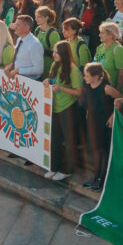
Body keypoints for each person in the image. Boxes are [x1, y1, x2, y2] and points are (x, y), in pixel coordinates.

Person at [46, 41, 82, 182]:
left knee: (68, 140)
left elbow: (79, 92)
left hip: (68, 108)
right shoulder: (55, 65)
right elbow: (52, 79)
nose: (53, 54)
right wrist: (47, 80)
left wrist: (61, 88)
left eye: (56, 52)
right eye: (54, 52)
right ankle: (53, 166)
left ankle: (67, 170)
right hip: (54, 107)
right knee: (54, 138)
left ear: (64, 53)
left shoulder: (73, 70)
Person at [79, 62, 112, 191]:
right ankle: (95, 175)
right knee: (95, 150)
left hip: (104, 121)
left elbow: (119, 99)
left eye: (87, 75)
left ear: (97, 76)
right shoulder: (87, 86)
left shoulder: (106, 88)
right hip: (92, 121)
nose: (85, 77)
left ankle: (101, 179)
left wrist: (113, 114)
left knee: (103, 150)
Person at [94, 22, 123, 93]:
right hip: (100, 91)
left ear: (111, 35)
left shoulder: (118, 49)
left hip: (112, 93)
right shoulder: (99, 47)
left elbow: (122, 74)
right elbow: (94, 65)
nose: (99, 35)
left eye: (102, 33)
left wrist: (116, 93)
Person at [6, 15, 44, 80]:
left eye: (18, 25)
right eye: (15, 24)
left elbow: (39, 69)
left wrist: (18, 70)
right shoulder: (19, 39)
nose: (15, 27)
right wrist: (9, 67)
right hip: (19, 81)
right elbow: (19, 60)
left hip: (30, 83)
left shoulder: (35, 44)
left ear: (27, 28)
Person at [34, 7, 61, 78]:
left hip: (48, 67)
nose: (36, 19)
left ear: (46, 18)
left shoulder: (53, 33)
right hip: (38, 66)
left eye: (39, 17)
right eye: (36, 17)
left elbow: (57, 54)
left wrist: (42, 50)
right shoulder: (37, 30)